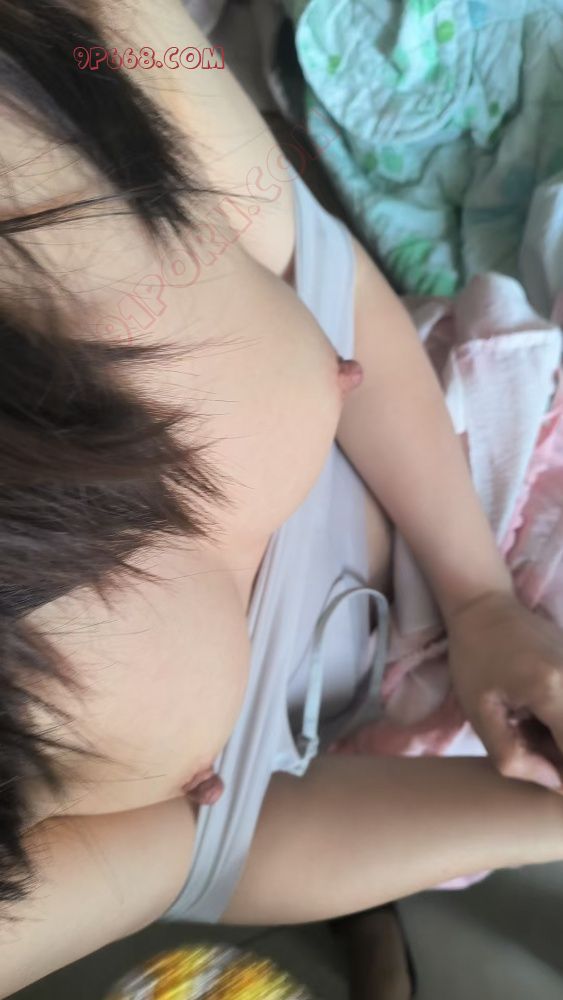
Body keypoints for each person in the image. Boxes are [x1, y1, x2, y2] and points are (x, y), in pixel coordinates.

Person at [1, 2, 563, 998]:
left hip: (461, 446)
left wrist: (478, 596)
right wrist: (545, 820)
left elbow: (321, 267)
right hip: (391, 749)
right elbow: (214, 855)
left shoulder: (76, 52)